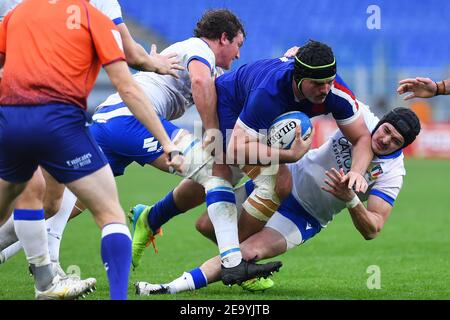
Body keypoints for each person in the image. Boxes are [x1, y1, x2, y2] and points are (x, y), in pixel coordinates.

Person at [130, 40, 375, 286]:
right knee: (274, 182)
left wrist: (357, 172)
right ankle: (236, 263)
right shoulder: (269, 92)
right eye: (318, 84)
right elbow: (237, 148)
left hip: (261, 122)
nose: (325, 89)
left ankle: (151, 218)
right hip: (230, 106)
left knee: (222, 180)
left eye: (329, 81)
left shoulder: (334, 91)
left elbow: (362, 137)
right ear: (298, 78)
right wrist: (291, 156)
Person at [0, 0, 183, 300]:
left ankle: (45, 282)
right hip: (60, 124)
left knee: (30, 199)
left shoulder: (19, 13)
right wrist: (166, 141)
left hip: (12, 122)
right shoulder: (94, 16)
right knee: (110, 213)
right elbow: (127, 87)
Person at [133, 105, 421, 295]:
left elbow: (373, 228)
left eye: (395, 141)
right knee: (207, 222)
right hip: (283, 179)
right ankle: (153, 216)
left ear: (402, 148)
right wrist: (295, 62)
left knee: (246, 252)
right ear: (380, 122)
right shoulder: (362, 121)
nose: (385, 140)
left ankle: (167, 288)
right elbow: (334, 90)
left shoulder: (393, 173)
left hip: (304, 217)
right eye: (386, 131)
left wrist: (351, 200)